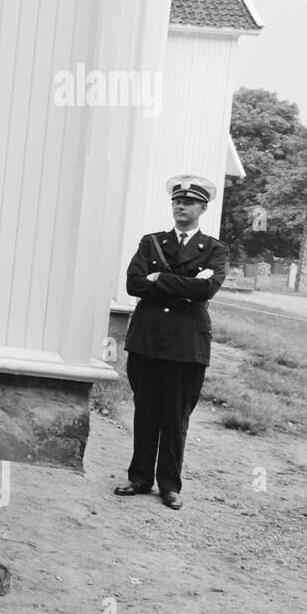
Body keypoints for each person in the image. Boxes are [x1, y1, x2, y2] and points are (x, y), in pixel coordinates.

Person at [115, 175, 229, 511]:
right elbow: (134, 284)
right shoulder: (151, 242)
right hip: (147, 341)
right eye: (178, 201)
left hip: (186, 346)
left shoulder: (214, 250)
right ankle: (139, 478)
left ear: (203, 208)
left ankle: (169, 485)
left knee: (176, 416)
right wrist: (184, 283)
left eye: (190, 202)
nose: (181, 207)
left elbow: (205, 290)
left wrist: (160, 278)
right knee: (146, 410)